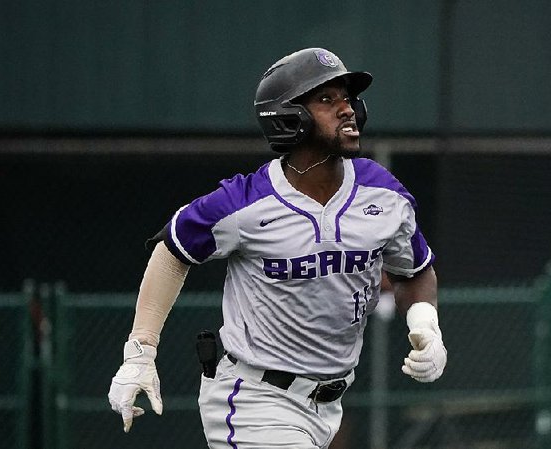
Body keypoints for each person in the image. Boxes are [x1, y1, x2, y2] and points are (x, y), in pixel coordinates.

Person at [108, 47, 447, 449]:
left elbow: (414, 270)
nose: (347, 109)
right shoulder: (243, 202)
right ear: (288, 117)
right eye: (326, 100)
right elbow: (173, 250)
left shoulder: (384, 192)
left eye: (347, 98)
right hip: (254, 399)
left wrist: (427, 325)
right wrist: (140, 351)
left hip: (328, 406)